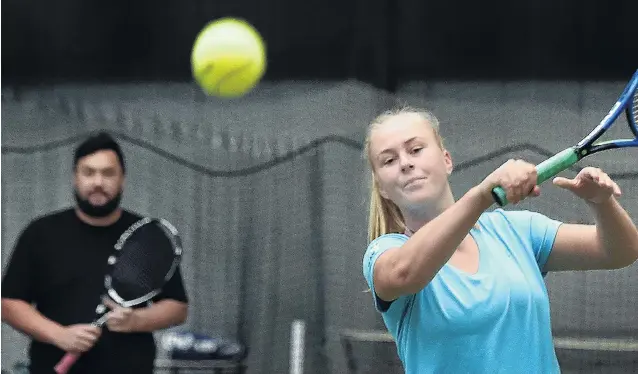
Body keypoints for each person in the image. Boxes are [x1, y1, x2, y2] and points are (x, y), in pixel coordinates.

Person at [361, 106, 638, 374]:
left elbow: (619, 252)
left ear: (446, 160)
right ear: (382, 188)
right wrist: (481, 196)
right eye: (389, 160)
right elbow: (404, 274)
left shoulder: (518, 231)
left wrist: (602, 203)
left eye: (416, 149)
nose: (406, 163)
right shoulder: (385, 253)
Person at [1, 132, 189, 374]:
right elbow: (9, 303)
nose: (98, 182)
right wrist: (59, 335)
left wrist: (136, 321)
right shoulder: (41, 233)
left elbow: (177, 307)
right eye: (88, 172)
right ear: (75, 178)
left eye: (108, 173)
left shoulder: (146, 236)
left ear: (122, 179)